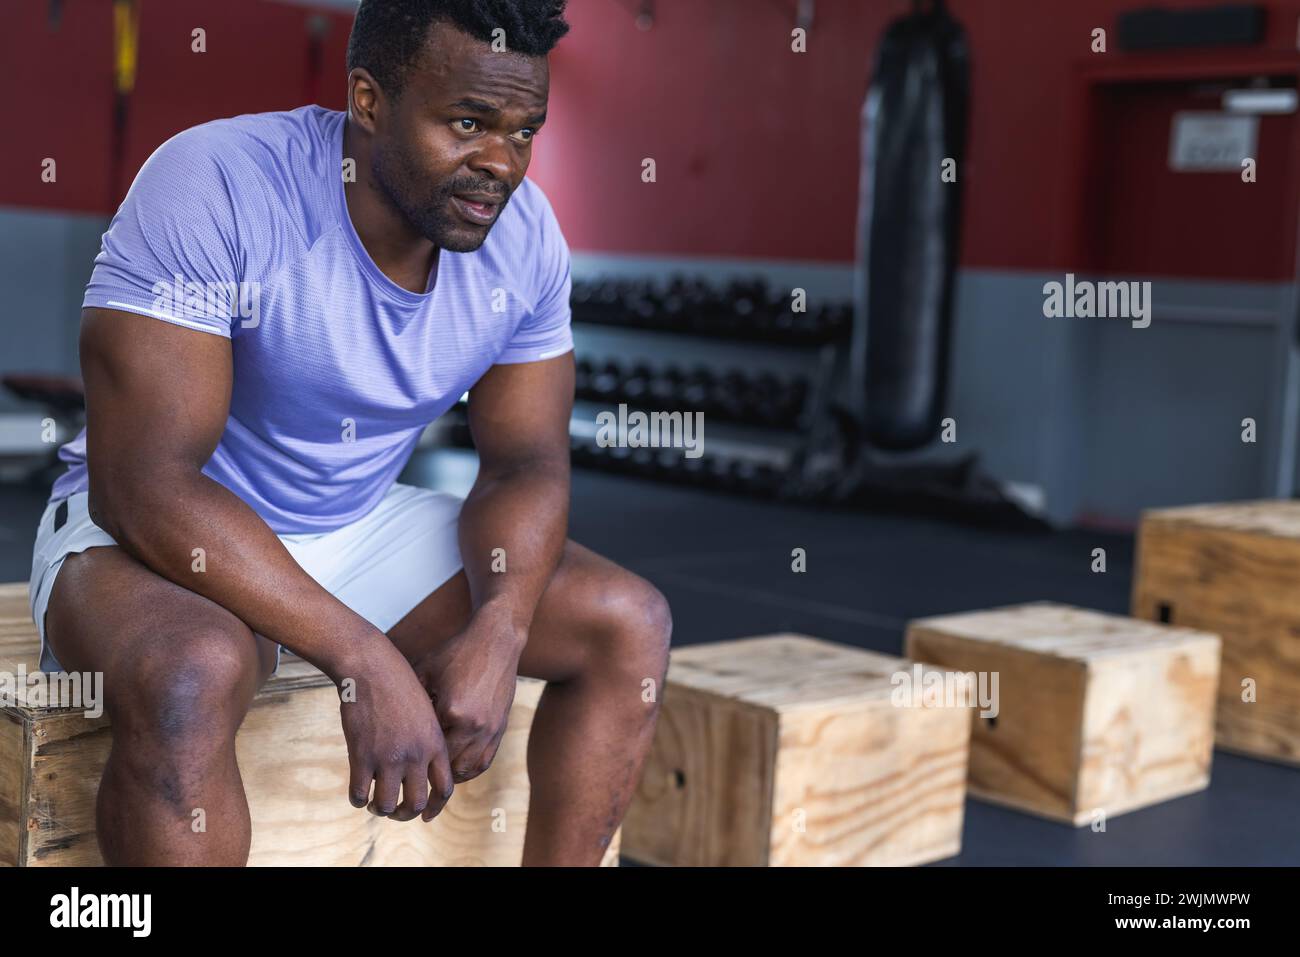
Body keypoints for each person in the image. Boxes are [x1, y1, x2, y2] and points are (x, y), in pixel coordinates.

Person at [27, 0, 671, 866]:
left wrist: (501, 629)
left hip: (353, 523)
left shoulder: (525, 244)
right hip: (150, 536)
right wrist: (362, 655)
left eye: (524, 132)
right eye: (468, 123)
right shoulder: (217, 183)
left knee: (627, 621)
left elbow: (524, 462)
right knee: (193, 672)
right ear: (368, 102)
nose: (500, 164)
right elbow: (144, 484)